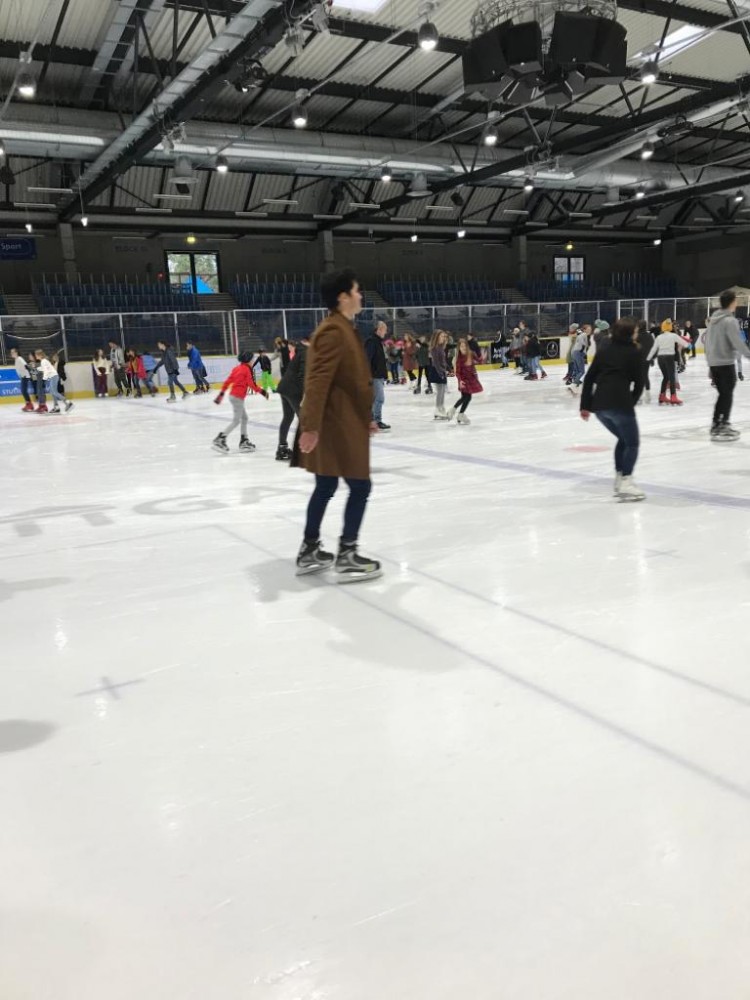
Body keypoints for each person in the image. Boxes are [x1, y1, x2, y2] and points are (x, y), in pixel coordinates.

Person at [295, 268, 381, 582]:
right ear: (343, 297)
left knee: (327, 484)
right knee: (360, 485)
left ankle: (310, 549)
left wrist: (366, 416)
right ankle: (346, 553)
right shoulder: (334, 331)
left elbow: (351, 381)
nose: (360, 296)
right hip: (335, 424)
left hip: (342, 419)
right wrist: (310, 427)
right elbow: (318, 381)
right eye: (357, 290)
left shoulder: (342, 327)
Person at [580, 318, 645, 501]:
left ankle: (619, 478)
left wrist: (585, 406)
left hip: (600, 407)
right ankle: (626, 480)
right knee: (632, 443)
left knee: (623, 439)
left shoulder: (604, 350)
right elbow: (639, 382)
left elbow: (590, 377)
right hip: (620, 402)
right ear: (629, 333)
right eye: (635, 331)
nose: (637, 334)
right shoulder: (634, 351)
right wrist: (630, 402)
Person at [703, 289, 750, 441]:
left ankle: (716, 424)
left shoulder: (713, 320)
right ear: (732, 302)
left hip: (715, 363)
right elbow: (738, 343)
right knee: (727, 395)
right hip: (725, 364)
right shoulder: (730, 321)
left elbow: (708, 343)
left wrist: (710, 364)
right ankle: (723, 424)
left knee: (723, 394)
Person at [212, 352, 268, 453]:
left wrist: (221, 395)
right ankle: (220, 439)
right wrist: (263, 392)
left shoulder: (237, 368)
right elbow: (252, 385)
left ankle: (244, 441)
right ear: (248, 360)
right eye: (252, 359)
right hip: (238, 397)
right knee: (236, 421)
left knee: (244, 418)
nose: (253, 361)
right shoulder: (246, 369)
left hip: (233, 396)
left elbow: (227, 382)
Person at [276, 335, 309, 461]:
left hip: (285, 387)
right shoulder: (306, 352)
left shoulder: (301, 351)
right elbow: (302, 375)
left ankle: (282, 448)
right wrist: (304, 394)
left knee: (288, 417)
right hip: (292, 390)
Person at [647, 324, 691, 405]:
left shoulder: (659, 337)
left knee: (666, 377)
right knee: (672, 377)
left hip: (660, 359)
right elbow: (685, 344)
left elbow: (653, 349)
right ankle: (673, 396)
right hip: (669, 357)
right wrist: (689, 344)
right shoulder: (673, 335)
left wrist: (648, 359)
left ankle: (662, 396)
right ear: (670, 327)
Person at [449, 337, 483, 424]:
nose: (463, 348)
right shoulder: (459, 358)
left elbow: (479, 361)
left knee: (467, 397)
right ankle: (454, 410)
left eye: (464, 346)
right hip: (463, 380)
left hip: (471, 378)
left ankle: (459, 414)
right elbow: (458, 372)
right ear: (459, 348)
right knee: (466, 397)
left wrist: (482, 357)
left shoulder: (471, 353)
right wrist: (460, 381)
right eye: (461, 346)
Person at [364, 320, 390, 431]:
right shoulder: (372, 341)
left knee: (377, 398)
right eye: (384, 329)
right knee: (379, 398)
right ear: (379, 329)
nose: (386, 331)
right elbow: (367, 359)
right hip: (374, 375)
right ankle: (376, 421)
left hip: (378, 375)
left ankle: (373, 420)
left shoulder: (378, 341)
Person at [35, 349, 73, 414]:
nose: (35, 356)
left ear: (39, 355)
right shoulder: (44, 361)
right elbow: (45, 368)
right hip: (53, 376)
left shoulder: (43, 361)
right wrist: (37, 369)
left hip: (53, 377)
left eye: (36, 355)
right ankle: (56, 407)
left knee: (54, 392)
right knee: (52, 392)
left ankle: (68, 403)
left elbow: (46, 371)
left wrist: (44, 380)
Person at [428, 329, 449, 420]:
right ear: (437, 337)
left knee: (442, 390)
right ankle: (437, 409)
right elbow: (436, 362)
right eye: (441, 336)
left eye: (444, 336)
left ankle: (441, 407)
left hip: (441, 370)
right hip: (437, 370)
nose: (443, 338)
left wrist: (447, 368)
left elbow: (443, 361)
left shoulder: (441, 347)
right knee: (440, 391)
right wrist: (441, 372)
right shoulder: (435, 348)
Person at [634, 320, 654, 404]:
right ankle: (648, 395)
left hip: (638, 360)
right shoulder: (649, 336)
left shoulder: (637, 336)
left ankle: (639, 397)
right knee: (645, 376)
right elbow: (652, 348)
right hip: (647, 359)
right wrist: (652, 358)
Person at [11, 348, 34, 412]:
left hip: (25, 376)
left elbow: (26, 365)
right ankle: (28, 404)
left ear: (16, 352)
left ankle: (29, 404)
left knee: (23, 391)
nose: (11, 354)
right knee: (23, 391)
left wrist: (30, 373)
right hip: (23, 376)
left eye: (12, 352)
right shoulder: (17, 359)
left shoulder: (19, 358)